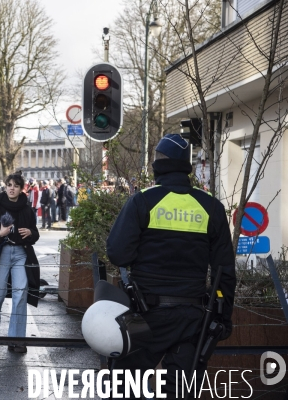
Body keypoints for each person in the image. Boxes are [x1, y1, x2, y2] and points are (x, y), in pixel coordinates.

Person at [105, 134, 236, 397]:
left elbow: (118, 254)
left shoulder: (143, 200)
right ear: (186, 165)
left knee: (124, 387)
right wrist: (222, 317)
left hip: (145, 317)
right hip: (193, 318)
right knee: (183, 391)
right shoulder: (211, 206)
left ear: (158, 164)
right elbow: (225, 271)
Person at [0, 174, 40, 353]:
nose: (12, 188)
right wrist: (0, 234)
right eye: (9, 185)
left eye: (16, 186)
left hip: (21, 254)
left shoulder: (27, 208)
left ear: (21, 189)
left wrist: (31, 233)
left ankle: (17, 338)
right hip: (1, 252)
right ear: (5, 187)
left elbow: (35, 233)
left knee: (21, 293)